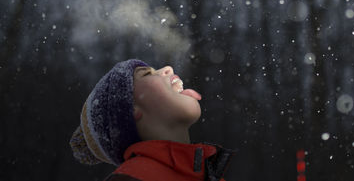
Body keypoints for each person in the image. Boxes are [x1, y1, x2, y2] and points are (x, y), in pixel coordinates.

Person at [70, 59, 236, 181]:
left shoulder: (209, 176)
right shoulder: (130, 178)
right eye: (148, 74)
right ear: (130, 109)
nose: (168, 69)